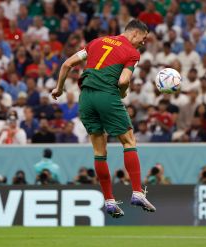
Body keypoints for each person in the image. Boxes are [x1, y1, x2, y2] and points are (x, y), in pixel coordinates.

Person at [50, 19, 156, 218]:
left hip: (86, 99)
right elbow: (124, 80)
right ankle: (137, 192)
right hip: (107, 95)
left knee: (99, 150)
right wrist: (123, 92)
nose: (143, 42)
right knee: (129, 141)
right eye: (143, 38)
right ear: (134, 33)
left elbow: (67, 64)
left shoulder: (96, 42)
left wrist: (59, 88)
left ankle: (109, 200)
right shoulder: (133, 53)